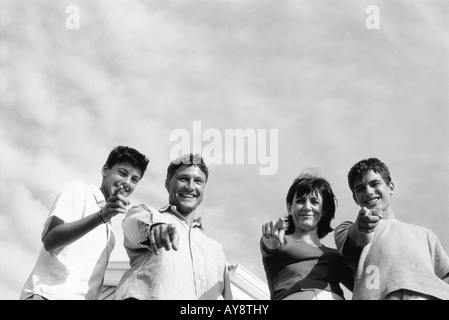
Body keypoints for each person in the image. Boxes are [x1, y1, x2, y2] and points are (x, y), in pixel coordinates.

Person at [20, 146, 149, 300]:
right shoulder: (79, 191)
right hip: (46, 295)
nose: (127, 182)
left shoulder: (111, 232)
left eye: (134, 179)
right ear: (105, 170)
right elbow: (50, 240)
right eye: (122, 173)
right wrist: (101, 216)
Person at [113, 153, 232, 300]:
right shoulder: (148, 214)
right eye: (183, 179)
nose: (190, 187)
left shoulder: (217, 250)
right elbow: (134, 225)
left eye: (198, 181)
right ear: (168, 183)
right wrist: (154, 228)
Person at [334, 157, 449, 300]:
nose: (369, 191)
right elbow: (355, 238)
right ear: (355, 198)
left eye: (374, 183)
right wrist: (362, 226)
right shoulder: (347, 228)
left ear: (391, 187)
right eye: (361, 188)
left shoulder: (425, 235)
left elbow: (445, 276)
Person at [260, 171, 354, 300]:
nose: (307, 207)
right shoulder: (281, 241)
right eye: (300, 201)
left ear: (324, 210)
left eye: (314, 202)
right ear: (289, 208)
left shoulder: (338, 255)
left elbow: (366, 285)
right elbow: (270, 243)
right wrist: (270, 235)